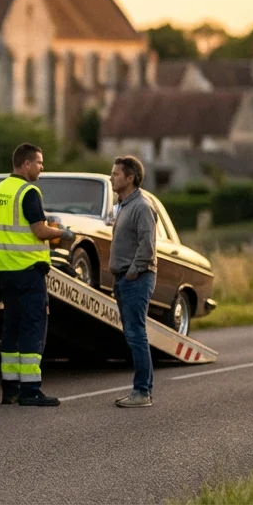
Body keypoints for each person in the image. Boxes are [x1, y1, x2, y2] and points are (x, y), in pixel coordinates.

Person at [0, 143, 73, 407]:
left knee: (11, 328)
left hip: (5, 270)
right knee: (33, 327)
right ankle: (30, 390)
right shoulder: (29, 191)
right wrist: (63, 232)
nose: (42, 167)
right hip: (28, 271)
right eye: (38, 162)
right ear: (26, 164)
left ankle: (9, 389)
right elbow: (39, 230)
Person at [108, 154, 157, 408]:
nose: (111, 177)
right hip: (124, 278)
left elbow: (147, 247)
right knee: (132, 334)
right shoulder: (124, 206)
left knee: (137, 334)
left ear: (130, 178)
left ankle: (142, 392)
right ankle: (142, 390)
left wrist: (132, 273)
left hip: (136, 278)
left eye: (116, 174)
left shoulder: (142, 207)